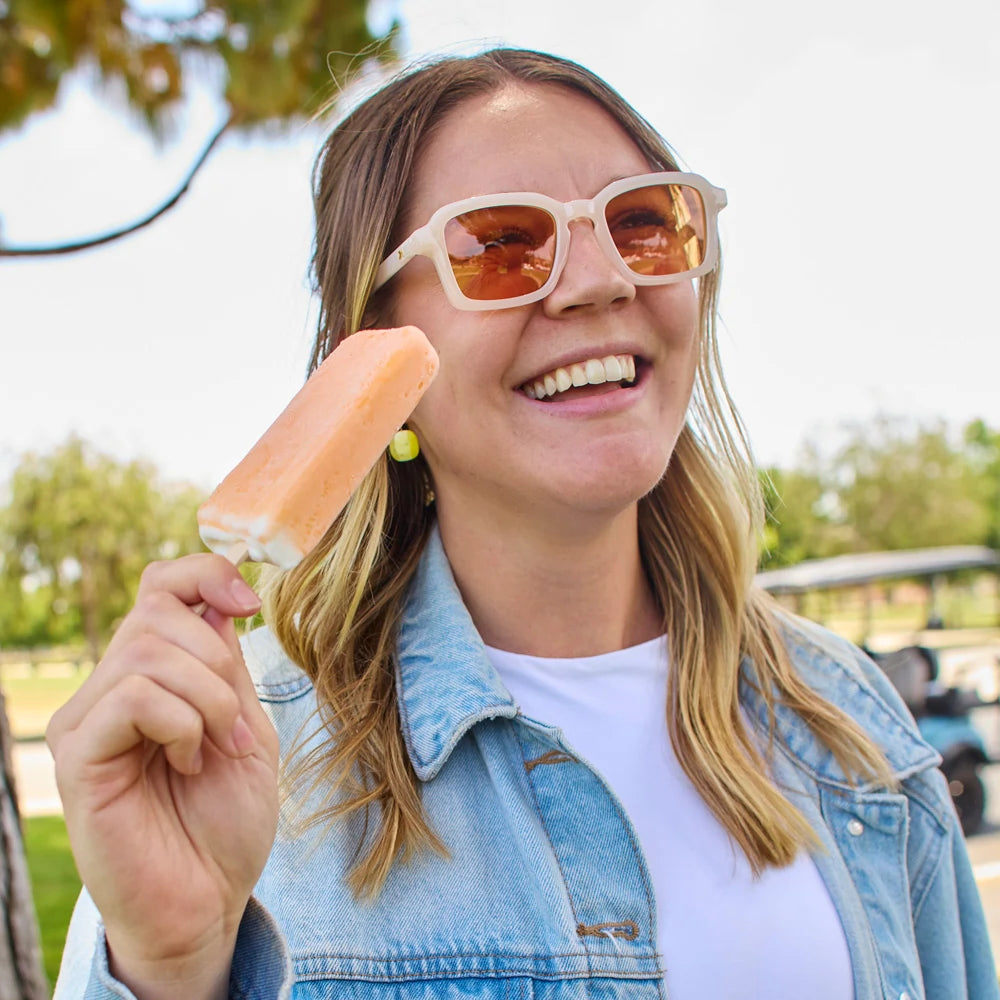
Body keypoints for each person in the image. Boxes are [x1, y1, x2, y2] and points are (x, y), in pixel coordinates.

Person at [48, 48, 997, 1000]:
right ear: (370, 368)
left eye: (644, 223)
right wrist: (175, 967)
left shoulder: (849, 727)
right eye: (501, 244)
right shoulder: (231, 764)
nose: (599, 281)